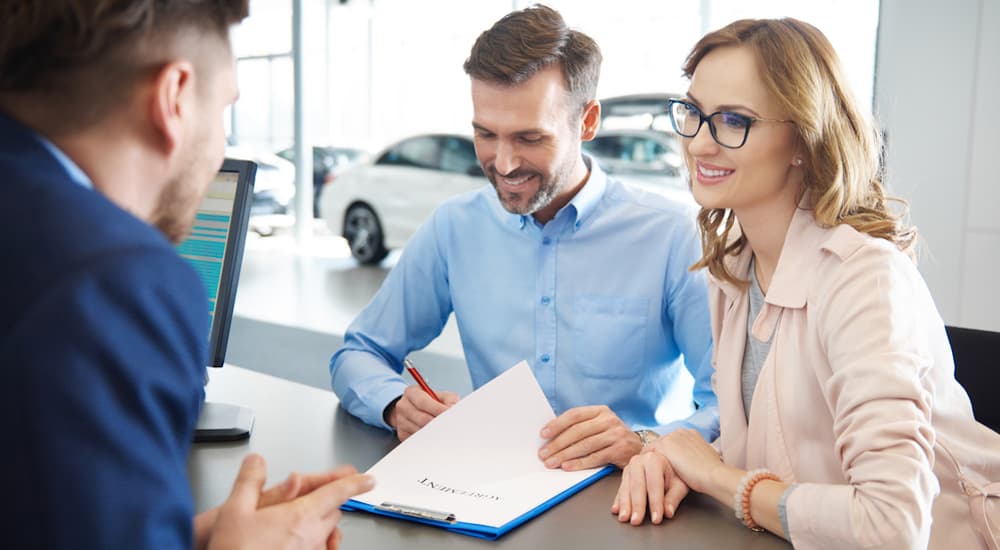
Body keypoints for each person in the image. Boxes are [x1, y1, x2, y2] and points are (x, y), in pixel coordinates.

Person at [612, 17, 1000, 550]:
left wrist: (714, 477)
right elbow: (777, 446)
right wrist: (662, 453)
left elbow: (893, 527)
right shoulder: (736, 267)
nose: (700, 144)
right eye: (695, 113)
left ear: (803, 138)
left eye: (733, 120)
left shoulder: (864, 279)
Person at [0, 1, 373, 548]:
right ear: (173, 96)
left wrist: (189, 536)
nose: (222, 144)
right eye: (224, 109)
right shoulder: (116, 280)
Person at [331, 4, 717, 472]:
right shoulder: (455, 227)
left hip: (625, 497)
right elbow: (358, 352)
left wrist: (646, 442)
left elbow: (729, 405)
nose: (505, 163)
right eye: (485, 134)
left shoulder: (671, 235)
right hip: (493, 491)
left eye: (530, 138)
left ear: (588, 121)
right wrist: (395, 403)